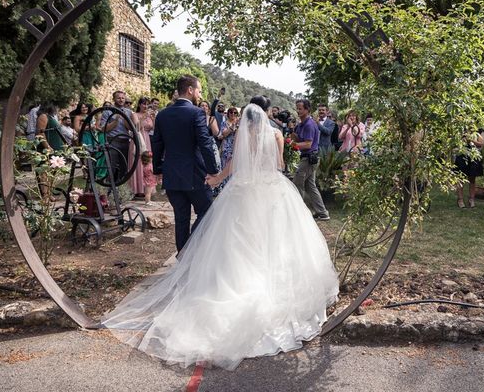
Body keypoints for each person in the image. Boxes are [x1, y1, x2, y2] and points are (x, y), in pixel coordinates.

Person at [102, 102, 339, 371]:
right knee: (275, 238)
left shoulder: (243, 135)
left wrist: (216, 179)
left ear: (247, 120)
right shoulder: (275, 135)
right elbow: (279, 164)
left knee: (238, 240)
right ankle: (272, 281)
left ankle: (235, 280)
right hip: (272, 189)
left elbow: (235, 163)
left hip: (244, 190)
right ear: (265, 115)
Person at [151, 75, 220, 252]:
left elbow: (157, 144)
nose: (200, 94)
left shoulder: (163, 115)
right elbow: (205, 144)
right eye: (199, 90)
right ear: (190, 90)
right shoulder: (196, 113)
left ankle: (182, 258)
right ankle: (191, 250)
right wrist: (213, 171)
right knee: (207, 212)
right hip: (194, 174)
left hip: (171, 174)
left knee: (181, 218)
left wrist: (158, 167)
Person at [291, 99, 330, 221]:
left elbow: (308, 144)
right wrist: (293, 133)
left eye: (300, 109)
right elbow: (297, 138)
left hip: (309, 158)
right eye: (297, 108)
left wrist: (293, 145)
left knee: (297, 183)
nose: (298, 111)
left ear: (307, 110)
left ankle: (299, 212)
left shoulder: (309, 124)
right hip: (308, 158)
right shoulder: (301, 124)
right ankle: (323, 213)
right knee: (310, 186)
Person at [100, 91, 134, 183]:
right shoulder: (107, 111)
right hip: (112, 141)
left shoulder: (128, 111)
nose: (121, 100)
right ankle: (109, 187)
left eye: (123, 98)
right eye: (118, 98)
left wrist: (125, 119)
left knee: (124, 166)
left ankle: (121, 188)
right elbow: (103, 129)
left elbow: (131, 128)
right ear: (114, 99)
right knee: (112, 166)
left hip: (125, 141)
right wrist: (116, 120)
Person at [454, 129, 484, 208]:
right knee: (460, 178)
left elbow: (481, 144)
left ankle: (471, 199)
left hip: (474, 156)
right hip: (462, 154)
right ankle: (460, 200)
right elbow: (455, 141)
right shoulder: (461, 127)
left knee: (472, 178)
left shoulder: (480, 130)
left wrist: (471, 140)